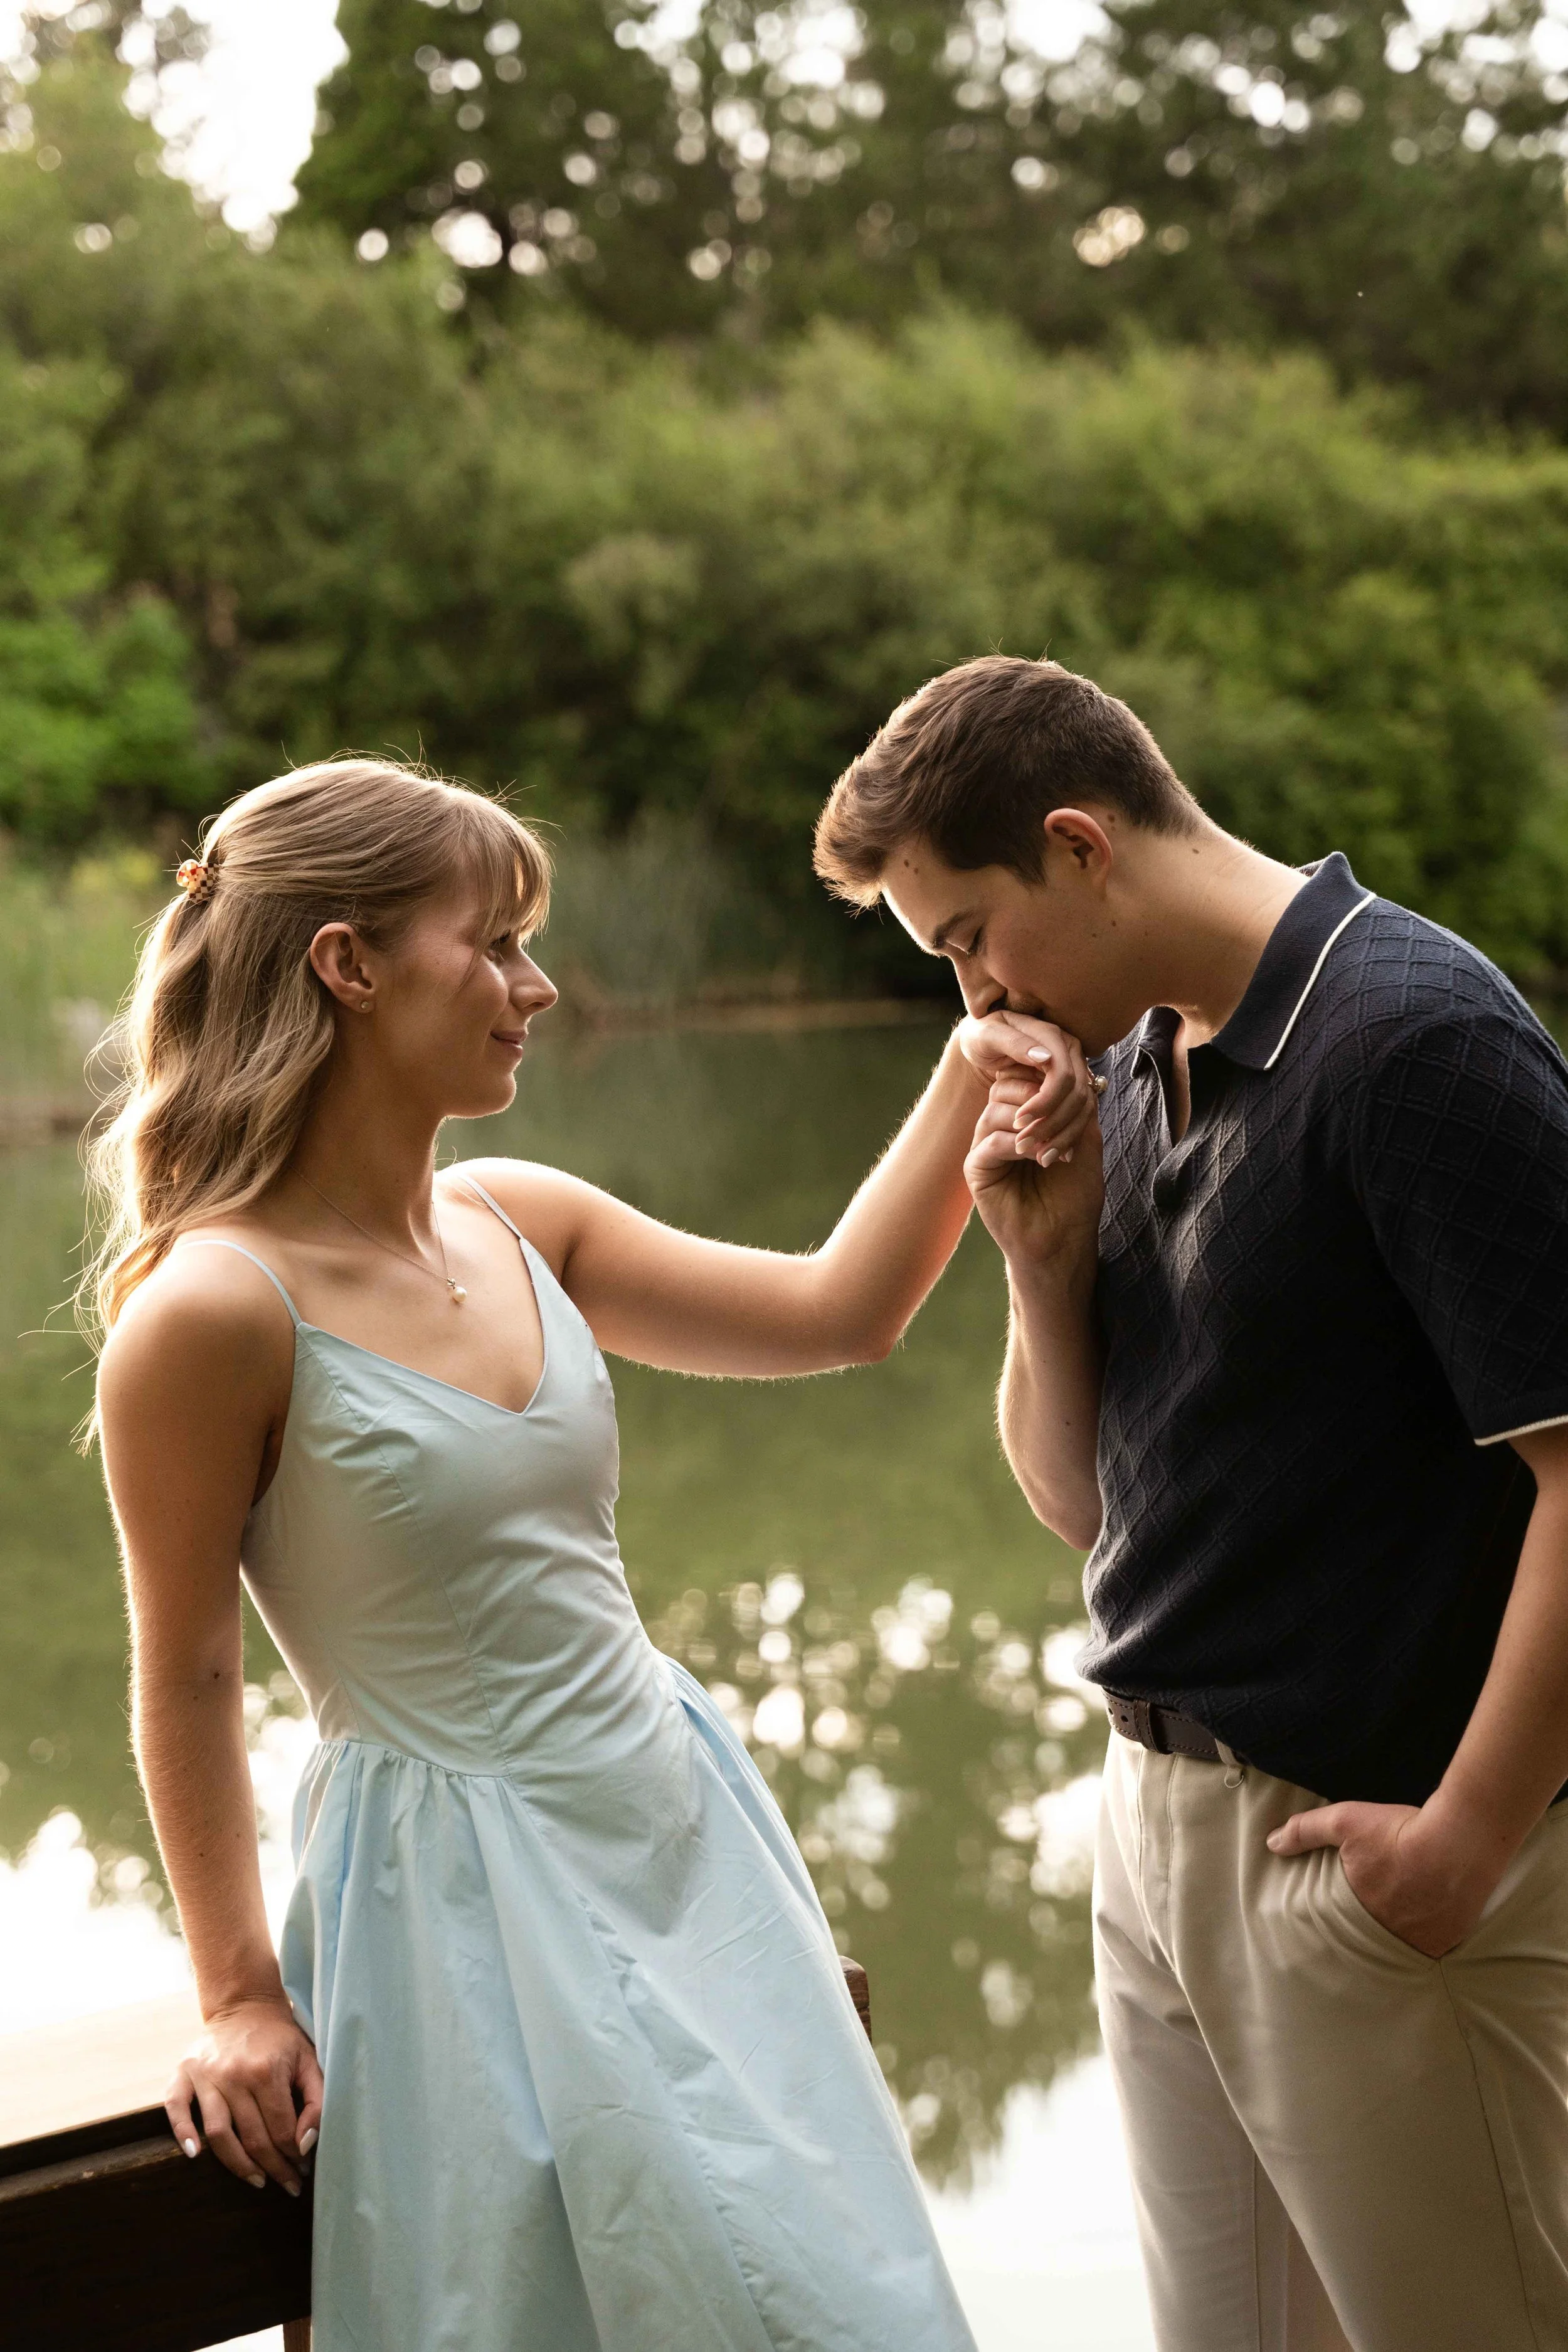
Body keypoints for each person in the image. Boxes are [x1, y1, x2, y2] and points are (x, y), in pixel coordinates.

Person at [88, 758, 1095, 2352]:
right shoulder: (212, 1312)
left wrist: (975, 1067)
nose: (534, 988)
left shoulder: (518, 1216)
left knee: (845, 2306)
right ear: (347, 967)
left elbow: (840, 1310)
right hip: (457, 1900)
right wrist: (234, 1995)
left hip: (674, 1820)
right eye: (490, 946)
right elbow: (189, 1674)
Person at [813, 654, 1568, 2352]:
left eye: (964, 936)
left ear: (1079, 845)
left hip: (1368, 1856)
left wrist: (1463, 1833)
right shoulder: (1132, 1056)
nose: (972, 995)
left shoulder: (1412, 1039)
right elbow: (1086, 1504)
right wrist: (1039, 1261)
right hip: (1151, 1829)